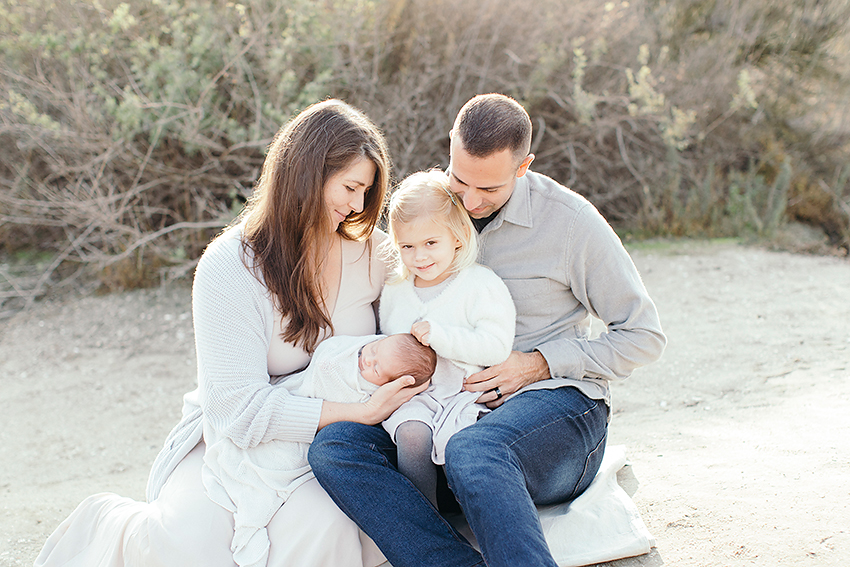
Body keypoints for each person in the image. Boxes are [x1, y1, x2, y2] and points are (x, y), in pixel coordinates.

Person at [34, 99, 428, 567]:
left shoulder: (375, 256)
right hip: (232, 440)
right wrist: (360, 410)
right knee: (188, 549)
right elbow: (235, 410)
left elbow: (421, 328)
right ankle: (112, 527)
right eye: (350, 187)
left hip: (327, 446)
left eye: (367, 193)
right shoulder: (230, 265)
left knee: (325, 531)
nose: (358, 206)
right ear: (304, 174)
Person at [308, 93, 668, 567]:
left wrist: (537, 364)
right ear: (451, 148)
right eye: (460, 180)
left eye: (491, 189)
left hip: (554, 413)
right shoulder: (429, 209)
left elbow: (644, 335)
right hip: (442, 408)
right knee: (335, 446)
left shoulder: (571, 224)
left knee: (474, 449)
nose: (471, 201)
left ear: (524, 167)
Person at [204, 332, 435, 567]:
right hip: (290, 403)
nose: (367, 360)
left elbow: (356, 395)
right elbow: (327, 359)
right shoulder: (358, 350)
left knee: (293, 465)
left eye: (375, 368)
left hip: (331, 430)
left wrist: (370, 405)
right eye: (373, 350)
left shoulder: (375, 389)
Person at [378, 170, 516, 507]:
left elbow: (496, 346)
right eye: (407, 246)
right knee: (411, 437)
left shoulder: (479, 284)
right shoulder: (396, 290)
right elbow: (390, 342)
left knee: (464, 447)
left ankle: (471, 511)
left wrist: (441, 337)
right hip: (417, 395)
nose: (419, 257)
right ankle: (427, 520)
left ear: (456, 236)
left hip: (466, 394)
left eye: (430, 243)